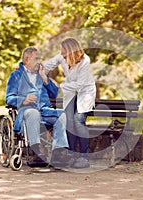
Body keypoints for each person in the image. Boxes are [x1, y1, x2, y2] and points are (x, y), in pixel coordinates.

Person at [5, 46, 69, 167]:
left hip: (44, 110)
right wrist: (23, 100)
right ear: (26, 60)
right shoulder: (15, 76)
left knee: (62, 114)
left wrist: (45, 78)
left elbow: (54, 94)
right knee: (33, 113)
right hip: (27, 111)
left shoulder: (41, 75)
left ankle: (58, 154)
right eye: (36, 59)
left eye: (40, 58)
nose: (39, 62)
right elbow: (9, 98)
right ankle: (36, 153)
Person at [43, 38, 96, 168]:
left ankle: (84, 158)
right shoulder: (62, 57)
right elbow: (47, 65)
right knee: (68, 121)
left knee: (78, 120)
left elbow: (80, 84)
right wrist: (27, 67)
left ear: (71, 51)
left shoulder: (85, 60)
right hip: (71, 91)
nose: (62, 54)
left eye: (64, 52)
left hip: (85, 91)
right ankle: (72, 156)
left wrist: (60, 86)